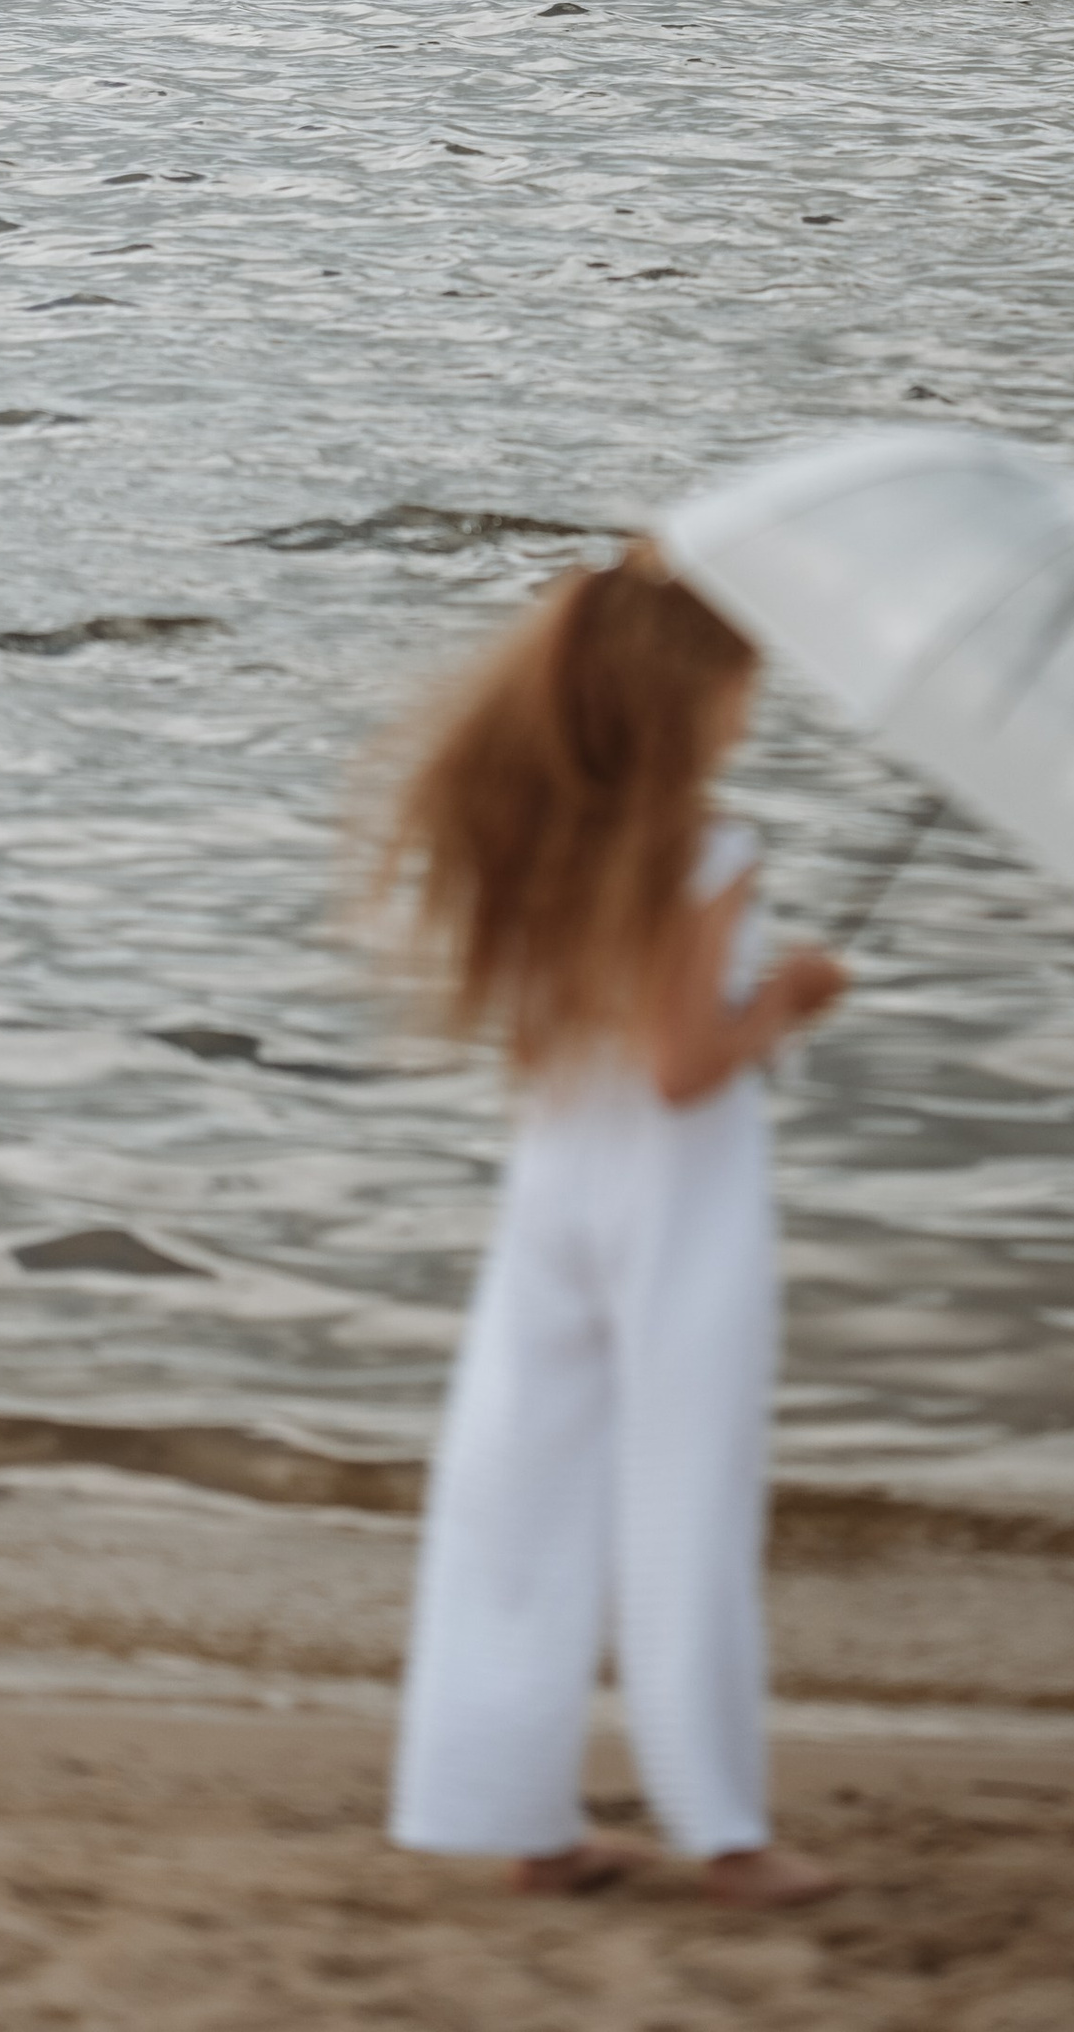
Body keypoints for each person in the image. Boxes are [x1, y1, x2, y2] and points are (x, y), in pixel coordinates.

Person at [372, 542, 847, 1909]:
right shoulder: (710, 848)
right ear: (685, 701)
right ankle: (728, 1830)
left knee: (522, 1488)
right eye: (739, 689)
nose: (749, 712)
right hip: (677, 1198)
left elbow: (570, 1038)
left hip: (554, 1182)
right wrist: (792, 1000)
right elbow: (683, 1064)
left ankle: (516, 1810)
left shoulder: (533, 836)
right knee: (687, 1496)